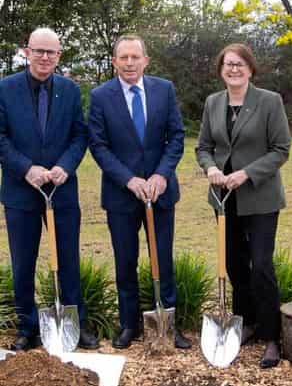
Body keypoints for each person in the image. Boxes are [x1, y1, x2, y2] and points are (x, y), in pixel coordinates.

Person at [88, 34, 191, 350]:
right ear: (115, 61)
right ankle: (129, 325)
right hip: (122, 195)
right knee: (125, 261)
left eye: (135, 57)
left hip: (160, 194)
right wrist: (129, 180)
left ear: (146, 60)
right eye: (124, 57)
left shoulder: (164, 90)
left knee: (163, 259)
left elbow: (176, 137)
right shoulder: (101, 96)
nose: (130, 63)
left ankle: (167, 325)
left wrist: (161, 175)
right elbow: (99, 145)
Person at [0, 28, 98, 351]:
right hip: (20, 191)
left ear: (59, 56)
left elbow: (79, 135)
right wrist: (26, 168)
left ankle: (76, 325)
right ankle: (27, 328)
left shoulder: (70, 90)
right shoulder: (5, 88)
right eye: (39, 51)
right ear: (26, 52)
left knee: (68, 259)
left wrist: (64, 168)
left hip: (61, 189)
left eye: (51, 52)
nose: (45, 57)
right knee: (23, 263)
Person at [196, 43, 291, 368]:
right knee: (235, 266)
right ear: (221, 70)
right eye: (228, 65)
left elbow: (281, 149)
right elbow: (203, 146)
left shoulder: (269, 101)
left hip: (260, 197)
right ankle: (246, 323)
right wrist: (210, 168)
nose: (233, 69)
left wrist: (247, 173)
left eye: (239, 64)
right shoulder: (213, 102)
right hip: (224, 199)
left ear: (250, 69)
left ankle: (271, 337)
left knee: (261, 266)